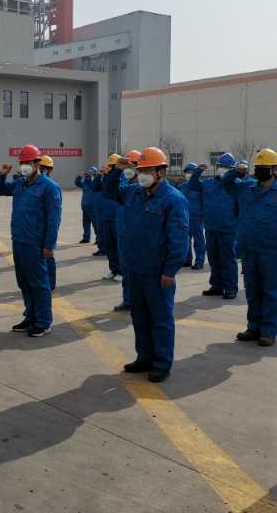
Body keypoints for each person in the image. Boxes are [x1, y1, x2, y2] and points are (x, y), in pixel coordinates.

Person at [104, 148, 189, 383]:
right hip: (134, 268)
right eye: (140, 170)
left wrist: (170, 270)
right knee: (140, 317)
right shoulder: (134, 193)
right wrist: (115, 171)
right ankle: (144, 357)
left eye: (148, 170)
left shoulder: (173, 199)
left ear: (161, 171)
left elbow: (178, 238)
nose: (142, 175)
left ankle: (161, 363)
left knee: (160, 319)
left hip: (157, 271)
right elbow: (110, 191)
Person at [225, 149, 277, 346]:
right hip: (249, 249)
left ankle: (268, 330)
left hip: (271, 251)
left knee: (271, 291)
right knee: (252, 290)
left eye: (264, 168)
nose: (259, 171)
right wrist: (236, 171)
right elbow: (226, 184)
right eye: (257, 168)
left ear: (275, 169)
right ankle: (254, 326)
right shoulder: (246, 188)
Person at [0, 144, 62, 337]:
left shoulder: (49, 187)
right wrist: (1, 175)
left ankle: (43, 322)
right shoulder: (20, 184)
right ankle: (30, 316)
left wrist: (49, 245)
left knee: (39, 283)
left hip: (35, 244)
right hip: (19, 240)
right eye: (22, 162)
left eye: (28, 162)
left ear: (37, 163)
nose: (24, 166)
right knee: (24, 282)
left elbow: (54, 219)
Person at [187, 153, 244, 299]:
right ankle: (217, 285)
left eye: (226, 167)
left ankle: (230, 288)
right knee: (213, 258)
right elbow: (192, 185)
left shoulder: (236, 185)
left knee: (228, 259)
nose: (222, 169)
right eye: (220, 166)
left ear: (232, 169)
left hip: (228, 229)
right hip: (211, 228)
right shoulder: (208, 183)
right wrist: (198, 171)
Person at [114, 150, 141, 312]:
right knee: (126, 269)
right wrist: (120, 171)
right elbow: (113, 190)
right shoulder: (125, 186)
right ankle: (128, 300)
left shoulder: (142, 187)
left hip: (139, 235)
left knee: (140, 271)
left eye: (132, 165)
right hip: (123, 233)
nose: (128, 169)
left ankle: (139, 302)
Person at [100, 154, 123, 282]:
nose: (109, 168)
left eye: (112, 166)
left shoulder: (119, 176)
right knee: (109, 245)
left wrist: (116, 170)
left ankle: (121, 271)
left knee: (118, 245)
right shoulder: (108, 176)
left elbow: (112, 182)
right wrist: (102, 175)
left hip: (116, 216)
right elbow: (98, 187)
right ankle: (114, 269)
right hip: (106, 215)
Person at [179, 162, 206, 270]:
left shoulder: (200, 186)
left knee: (199, 241)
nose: (189, 174)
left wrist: (203, 214)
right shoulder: (181, 187)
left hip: (197, 218)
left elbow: (205, 201)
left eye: (191, 172)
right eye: (187, 172)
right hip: (185, 218)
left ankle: (199, 261)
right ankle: (187, 260)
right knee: (186, 240)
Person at [39, 155, 61, 291]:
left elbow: (55, 216)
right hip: (37, 228)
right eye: (41, 167)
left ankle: (51, 283)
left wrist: (51, 240)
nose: (42, 170)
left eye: (45, 168)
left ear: (50, 170)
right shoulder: (33, 185)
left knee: (48, 255)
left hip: (48, 227)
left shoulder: (52, 187)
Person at [75, 167, 99, 245]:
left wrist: (89, 178)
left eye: (91, 172)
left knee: (95, 224)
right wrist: (80, 176)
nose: (89, 174)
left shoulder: (95, 183)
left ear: (94, 173)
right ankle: (86, 238)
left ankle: (99, 238)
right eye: (89, 172)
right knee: (85, 223)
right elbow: (77, 183)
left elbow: (92, 184)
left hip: (92, 207)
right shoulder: (85, 183)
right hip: (85, 206)